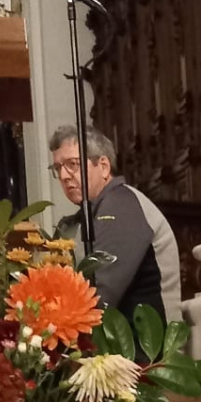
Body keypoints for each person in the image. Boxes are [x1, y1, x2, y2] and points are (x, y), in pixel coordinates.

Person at [49, 125, 182, 321]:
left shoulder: (123, 204)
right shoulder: (87, 215)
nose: (63, 176)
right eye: (58, 168)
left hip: (151, 339)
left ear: (104, 166)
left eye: (72, 164)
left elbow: (98, 297)